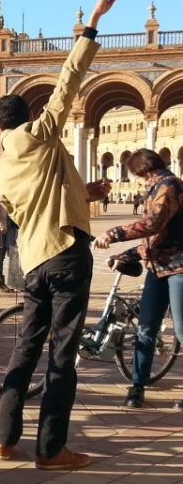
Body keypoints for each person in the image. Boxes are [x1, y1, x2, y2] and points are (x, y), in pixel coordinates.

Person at [0, 0, 121, 470]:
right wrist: (93, 20)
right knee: (62, 356)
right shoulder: (41, 135)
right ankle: (50, 449)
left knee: (24, 350)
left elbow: (33, 205)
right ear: (28, 115)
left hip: (33, 261)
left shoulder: (2, 166)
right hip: (66, 257)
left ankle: (3, 438)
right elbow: (69, 80)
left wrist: (83, 192)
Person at [93, 149, 183, 411]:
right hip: (158, 268)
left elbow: (153, 224)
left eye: (137, 175)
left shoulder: (168, 185)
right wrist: (129, 253)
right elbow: (155, 236)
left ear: (143, 170)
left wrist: (114, 233)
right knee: (146, 328)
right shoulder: (157, 187)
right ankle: (137, 386)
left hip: (178, 269)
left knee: (181, 331)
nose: (137, 181)